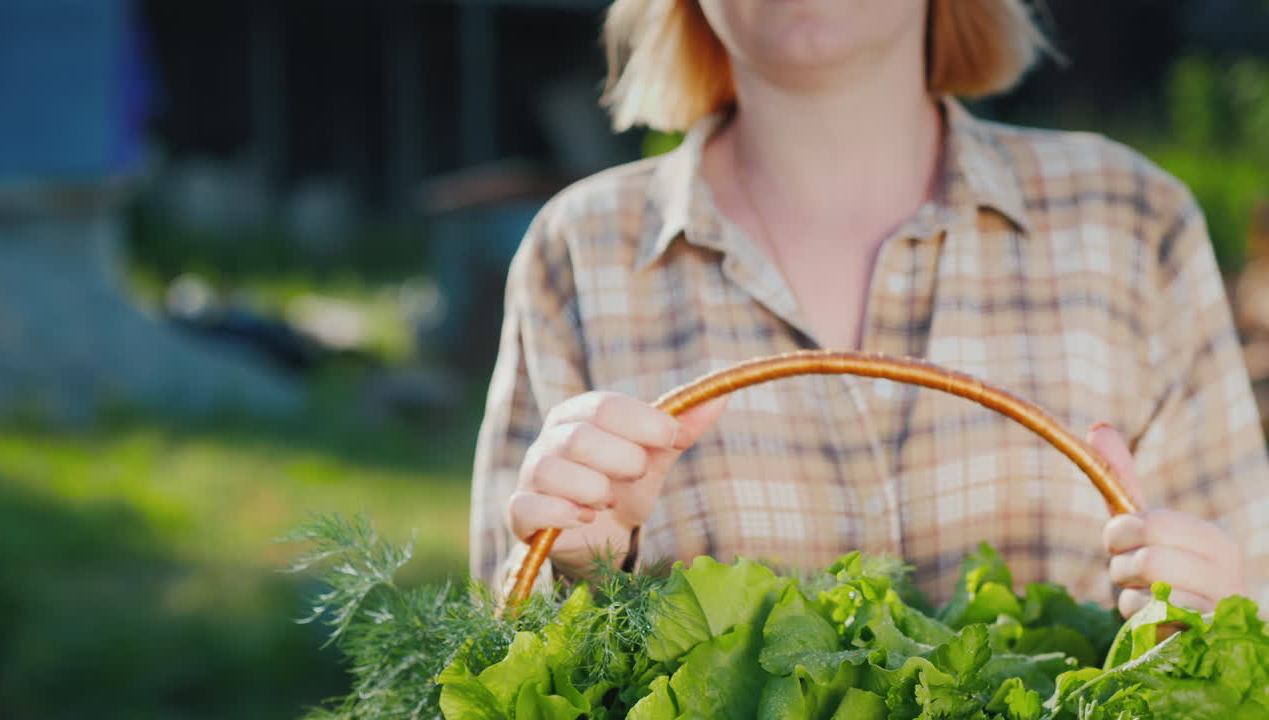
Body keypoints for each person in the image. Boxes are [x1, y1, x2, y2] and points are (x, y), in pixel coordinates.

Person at [471, 0, 1269, 619]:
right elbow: (497, 657)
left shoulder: (1131, 220)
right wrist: (574, 575)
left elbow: (1249, 600)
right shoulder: (578, 253)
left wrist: (1209, 619)